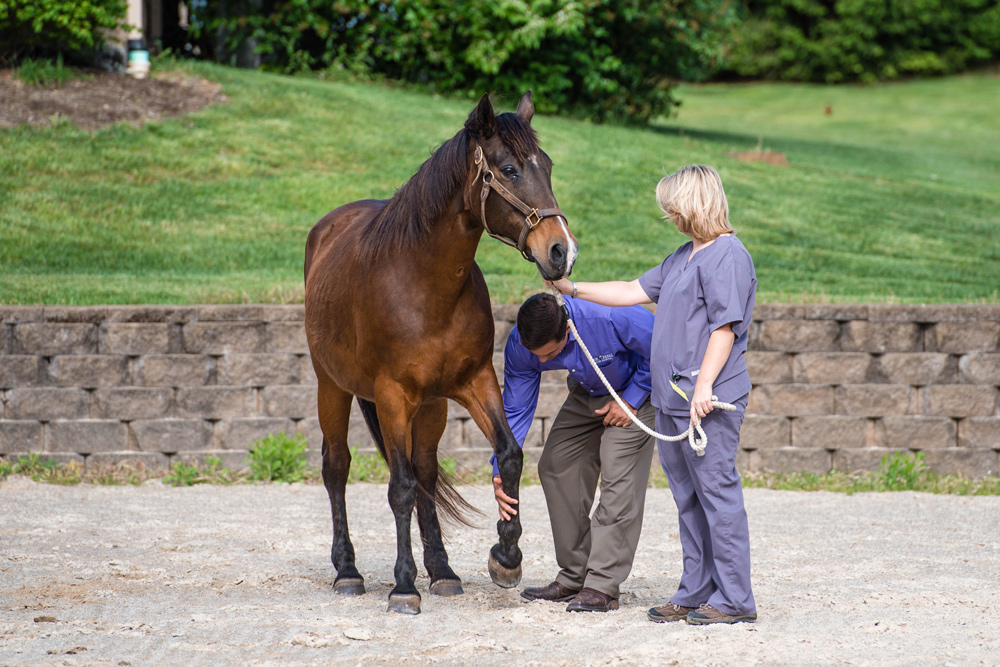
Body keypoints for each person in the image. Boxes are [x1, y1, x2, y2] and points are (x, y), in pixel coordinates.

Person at [548, 164, 757, 625]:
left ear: (694, 204)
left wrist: (703, 387)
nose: (671, 217)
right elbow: (632, 290)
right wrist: (572, 288)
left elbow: (725, 329)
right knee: (688, 498)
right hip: (671, 403)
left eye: (674, 209)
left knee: (717, 496)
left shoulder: (729, 256)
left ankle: (735, 599)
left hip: (706, 401)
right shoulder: (684, 256)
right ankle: (695, 592)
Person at [492, 292, 655, 612]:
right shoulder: (521, 345)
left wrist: (633, 397)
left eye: (549, 354)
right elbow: (515, 409)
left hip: (641, 389)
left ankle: (602, 584)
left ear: (567, 330)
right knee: (556, 464)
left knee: (616, 468)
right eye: (534, 355)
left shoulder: (610, 317)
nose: (540, 362)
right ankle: (575, 574)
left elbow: (666, 346)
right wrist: (501, 469)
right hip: (590, 390)